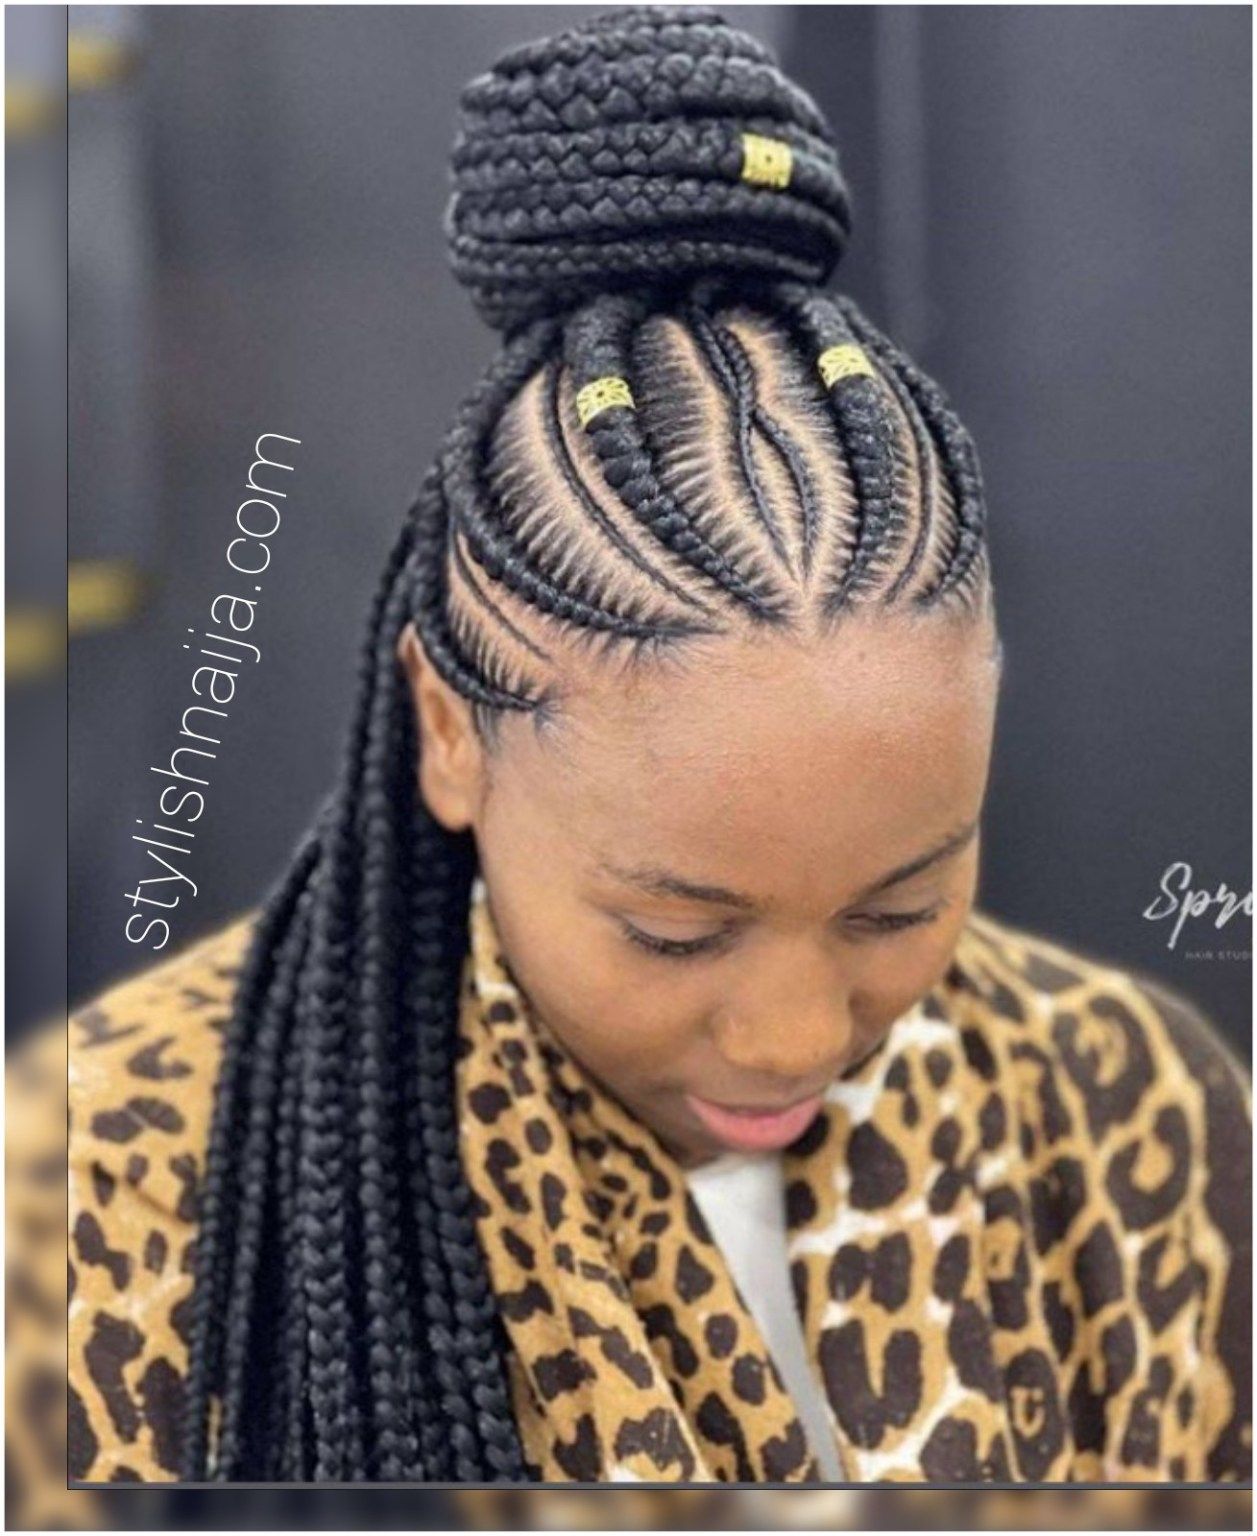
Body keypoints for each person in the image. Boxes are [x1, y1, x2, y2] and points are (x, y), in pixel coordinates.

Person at [68, 5, 1250, 1486]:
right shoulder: (112, 1194)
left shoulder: (1133, 1101)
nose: (796, 1040)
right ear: (449, 730)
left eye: (898, 907)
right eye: (676, 933)